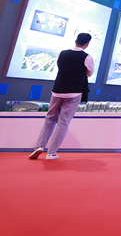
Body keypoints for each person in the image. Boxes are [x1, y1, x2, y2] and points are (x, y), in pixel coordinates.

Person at [29, 33, 94, 161]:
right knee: (63, 122)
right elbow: (89, 73)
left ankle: (39, 146)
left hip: (57, 90)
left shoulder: (62, 53)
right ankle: (51, 153)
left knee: (49, 119)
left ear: (75, 40)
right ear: (87, 44)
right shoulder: (87, 57)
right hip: (74, 93)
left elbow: (60, 67)